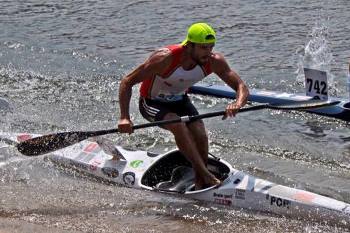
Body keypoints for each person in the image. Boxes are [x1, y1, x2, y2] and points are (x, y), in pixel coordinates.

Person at [118, 22, 249, 190]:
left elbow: (241, 87)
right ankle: (205, 175)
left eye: (211, 47)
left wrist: (237, 104)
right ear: (189, 45)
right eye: (203, 48)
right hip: (151, 103)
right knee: (178, 124)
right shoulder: (165, 59)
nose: (208, 53)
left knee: (200, 133)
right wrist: (124, 117)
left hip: (180, 101)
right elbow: (127, 81)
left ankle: (200, 181)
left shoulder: (214, 61)